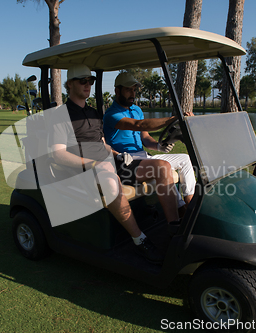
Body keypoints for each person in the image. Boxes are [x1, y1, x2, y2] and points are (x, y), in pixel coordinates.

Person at [48, 64, 180, 264]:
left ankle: (174, 229)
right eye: (82, 81)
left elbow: (103, 144)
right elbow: (57, 155)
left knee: (162, 167)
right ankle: (140, 240)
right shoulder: (61, 115)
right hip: (83, 170)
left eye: (90, 81)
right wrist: (92, 164)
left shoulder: (93, 113)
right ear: (69, 84)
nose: (87, 85)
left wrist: (118, 154)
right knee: (109, 179)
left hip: (109, 163)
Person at [103, 72, 196, 219]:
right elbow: (138, 125)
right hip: (126, 161)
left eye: (134, 90)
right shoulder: (111, 114)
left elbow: (145, 137)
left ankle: (190, 206)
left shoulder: (137, 110)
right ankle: (181, 211)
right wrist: (175, 118)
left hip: (143, 156)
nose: (132, 93)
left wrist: (158, 146)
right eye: (128, 90)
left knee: (185, 159)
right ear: (117, 91)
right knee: (162, 166)